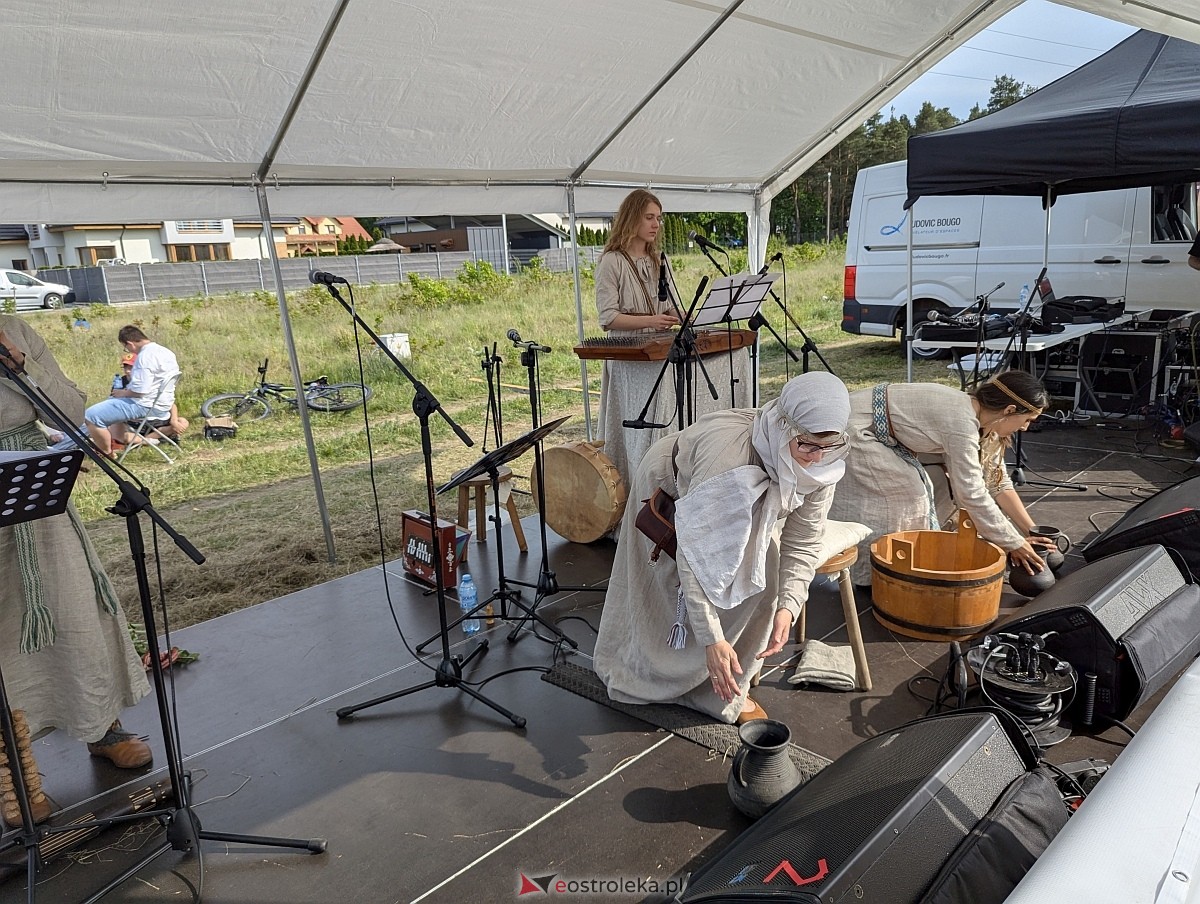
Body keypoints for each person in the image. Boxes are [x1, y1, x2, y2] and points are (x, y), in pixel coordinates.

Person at [593, 371, 852, 724]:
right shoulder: (728, 459)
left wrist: (789, 607)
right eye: (807, 445)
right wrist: (712, 639)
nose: (817, 458)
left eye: (828, 446)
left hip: (736, 498)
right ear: (784, 426)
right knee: (665, 591)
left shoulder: (821, 462)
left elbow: (804, 538)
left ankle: (720, 689)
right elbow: (693, 555)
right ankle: (645, 677)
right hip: (670, 487)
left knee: (769, 581)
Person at [0, 315, 152, 781]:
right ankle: (16, 774)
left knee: (73, 610)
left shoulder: (16, 331)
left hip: (31, 492)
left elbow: (68, 409)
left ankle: (101, 727)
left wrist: (20, 365)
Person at [828, 370, 1050, 585]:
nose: (1025, 427)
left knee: (912, 494)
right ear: (1010, 410)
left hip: (861, 423)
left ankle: (889, 566)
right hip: (853, 427)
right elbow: (971, 494)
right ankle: (876, 573)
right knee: (908, 495)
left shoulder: (971, 412)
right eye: (1028, 419)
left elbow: (993, 482)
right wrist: (1013, 542)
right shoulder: (962, 423)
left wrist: (1020, 535)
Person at [594, 189, 752, 488]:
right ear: (632, 219)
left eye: (659, 219)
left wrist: (683, 314)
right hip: (629, 355)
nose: (656, 225)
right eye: (649, 218)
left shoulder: (658, 260)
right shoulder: (612, 262)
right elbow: (608, 318)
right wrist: (653, 320)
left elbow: (666, 307)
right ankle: (646, 476)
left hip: (659, 348)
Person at [85, 325, 180, 457]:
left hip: (144, 405)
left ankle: (106, 453)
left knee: (91, 416)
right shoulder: (166, 352)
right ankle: (118, 442)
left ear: (130, 343)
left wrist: (122, 393)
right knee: (110, 406)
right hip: (163, 404)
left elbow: (141, 390)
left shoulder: (144, 357)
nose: (128, 350)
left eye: (126, 347)